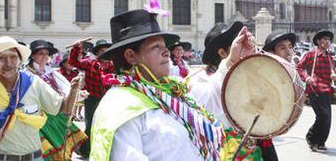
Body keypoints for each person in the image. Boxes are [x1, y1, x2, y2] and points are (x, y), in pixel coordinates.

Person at [89, 8, 257, 160]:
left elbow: (210, 96)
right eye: (156, 46)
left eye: (165, 46)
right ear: (131, 56)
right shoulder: (119, 107)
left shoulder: (172, 91)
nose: (166, 52)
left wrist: (232, 60)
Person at [0, 36, 83, 160]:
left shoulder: (35, 84)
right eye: (2, 58)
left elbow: (64, 110)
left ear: (20, 60)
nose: (9, 63)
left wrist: (74, 90)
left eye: (13, 57)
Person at [24, 40, 88, 160]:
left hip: (55, 113)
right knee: (43, 149)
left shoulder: (51, 72)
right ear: (33, 56)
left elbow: (66, 87)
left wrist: (77, 92)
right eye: (41, 53)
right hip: (37, 116)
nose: (45, 56)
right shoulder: (26, 73)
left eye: (47, 54)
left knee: (57, 148)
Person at [66, 38, 114, 159]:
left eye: (107, 50)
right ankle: (86, 151)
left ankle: (105, 149)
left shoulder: (114, 64)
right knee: (91, 125)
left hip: (109, 99)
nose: (104, 52)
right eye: (102, 50)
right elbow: (73, 62)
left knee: (108, 125)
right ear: (97, 53)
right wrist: (76, 48)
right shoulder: (90, 63)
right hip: (93, 99)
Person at [259, 30, 299, 161]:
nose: (289, 52)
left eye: (290, 47)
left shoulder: (285, 71)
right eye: (282, 48)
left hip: (266, 133)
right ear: (272, 52)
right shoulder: (261, 71)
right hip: (256, 131)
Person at [296, 29, 336, 152]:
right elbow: (299, 68)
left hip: (326, 89)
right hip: (315, 88)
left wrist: (334, 74)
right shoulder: (310, 54)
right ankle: (311, 138)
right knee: (323, 115)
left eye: (328, 39)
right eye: (324, 39)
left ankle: (320, 142)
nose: (327, 42)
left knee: (327, 117)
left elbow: (332, 71)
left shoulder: (329, 57)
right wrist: (306, 77)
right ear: (318, 41)